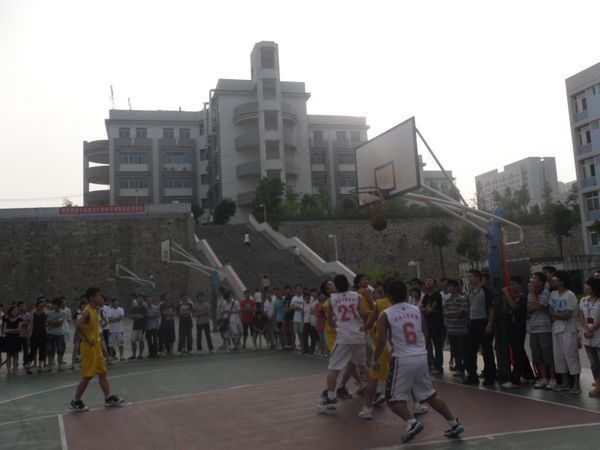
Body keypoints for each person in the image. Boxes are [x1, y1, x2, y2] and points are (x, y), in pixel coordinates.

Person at [372, 279, 464, 444]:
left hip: (402, 358)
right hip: (421, 356)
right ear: (406, 293)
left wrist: (375, 359)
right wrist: (419, 348)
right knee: (429, 395)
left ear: (388, 296)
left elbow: (381, 339)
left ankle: (411, 422)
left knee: (392, 399)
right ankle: (454, 423)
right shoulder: (416, 310)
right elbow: (425, 332)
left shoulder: (385, 314)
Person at [318, 274, 369, 411]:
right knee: (363, 365)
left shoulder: (332, 299)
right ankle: (376, 392)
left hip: (344, 336)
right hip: (358, 334)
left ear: (336, 285)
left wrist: (336, 324)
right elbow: (365, 313)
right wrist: (364, 326)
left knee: (333, 367)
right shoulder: (357, 296)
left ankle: (330, 398)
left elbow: (330, 320)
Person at [70, 287, 123, 411]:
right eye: (98, 295)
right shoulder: (87, 311)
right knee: (88, 376)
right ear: (91, 298)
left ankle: (108, 398)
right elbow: (78, 325)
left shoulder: (95, 310)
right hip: (88, 347)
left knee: (103, 373)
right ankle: (75, 400)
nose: (101, 297)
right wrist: (88, 338)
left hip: (96, 346)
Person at [548, 270, 581, 393]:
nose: (552, 279)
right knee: (559, 356)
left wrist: (555, 314)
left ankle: (576, 384)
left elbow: (567, 315)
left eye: (555, 277)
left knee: (571, 356)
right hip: (556, 329)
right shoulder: (553, 294)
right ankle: (565, 382)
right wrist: (558, 315)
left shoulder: (570, 295)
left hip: (568, 329)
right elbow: (550, 311)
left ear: (561, 280)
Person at [464, 269, 496, 386]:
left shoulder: (486, 291)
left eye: (472, 276)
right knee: (470, 350)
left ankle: (490, 377)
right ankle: (472, 376)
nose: (470, 279)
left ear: (478, 277)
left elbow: (491, 308)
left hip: (484, 322)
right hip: (473, 323)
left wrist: (489, 323)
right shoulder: (470, 292)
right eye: (469, 277)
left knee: (487, 351)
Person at [502, 276, 535, 387]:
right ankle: (529, 375)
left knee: (518, 354)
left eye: (514, 284)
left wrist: (507, 294)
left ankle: (515, 379)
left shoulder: (523, 298)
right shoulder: (512, 297)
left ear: (520, 285)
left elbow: (514, 307)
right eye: (510, 284)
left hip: (519, 328)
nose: (512, 287)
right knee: (520, 352)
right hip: (511, 328)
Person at [527, 272, 556, 389]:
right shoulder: (530, 294)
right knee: (537, 355)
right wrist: (536, 304)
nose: (532, 280)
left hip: (544, 328)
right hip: (533, 329)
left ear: (541, 282)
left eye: (534, 278)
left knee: (547, 354)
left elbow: (540, 306)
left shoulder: (546, 292)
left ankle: (553, 378)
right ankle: (544, 378)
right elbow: (529, 309)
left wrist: (533, 296)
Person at [579, 277, 600, 397]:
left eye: (588, 284)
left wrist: (591, 329)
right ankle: (598, 386)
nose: (585, 286)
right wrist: (587, 330)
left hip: (598, 335)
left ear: (594, 287)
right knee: (594, 363)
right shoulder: (583, 300)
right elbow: (581, 316)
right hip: (588, 337)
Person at [443, 279, 468, 379]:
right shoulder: (447, 301)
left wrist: (450, 313)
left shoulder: (463, 299)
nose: (450, 288)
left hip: (461, 330)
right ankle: (459, 369)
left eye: (452, 286)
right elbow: (445, 313)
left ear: (457, 287)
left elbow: (461, 313)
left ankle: (468, 368)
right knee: (455, 350)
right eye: (448, 286)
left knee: (463, 350)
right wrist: (452, 313)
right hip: (451, 330)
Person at [420, 278, 445, 375]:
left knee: (438, 346)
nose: (427, 283)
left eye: (430, 281)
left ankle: (439, 367)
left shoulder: (437, 295)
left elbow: (431, 310)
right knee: (427, 345)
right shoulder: (426, 296)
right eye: (427, 281)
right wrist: (427, 309)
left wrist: (427, 309)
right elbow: (420, 308)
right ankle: (431, 364)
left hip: (437, 324)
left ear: (434, 284)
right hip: (427, 325)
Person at [46, 298, 67, 371]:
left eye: (54, 304)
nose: (53, 306)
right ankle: (49, 366)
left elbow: (60, 323)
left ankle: (59, 366)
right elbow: (48, 323)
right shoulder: (50, 313)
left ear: (58, 305)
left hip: (60, 334)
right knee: (50, 351)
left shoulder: (63, 313)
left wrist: (52, 323)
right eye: (52, 304)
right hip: (51, 333)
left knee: (60, 350)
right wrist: (54, 323)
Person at [29, 297, 48, 374]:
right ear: (37, 307)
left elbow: (46, 324)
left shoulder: (45, 314)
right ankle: (28, 365)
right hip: (35, 334)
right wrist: (29, 334)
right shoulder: (33, 314)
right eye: (40, 306)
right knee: (33, 350)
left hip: (42, 334)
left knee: (42, 350)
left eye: (43, 306)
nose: (42, 307)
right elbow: (31, 325)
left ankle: (40, 365)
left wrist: (47, 332)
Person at [2, 305, 22, 377]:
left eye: (16, 310)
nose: (15, 312)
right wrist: (13, 330)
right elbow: (4, 330)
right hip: (8, 339)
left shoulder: (19, 319)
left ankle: (14, 370)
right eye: (14, 310)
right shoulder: (7, 319)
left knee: (15, 355)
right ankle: (8, 371)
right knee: (8, 355)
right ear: (10, 311)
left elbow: (19, 330)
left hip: (16, 339)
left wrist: (10, 330)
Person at [71, 299, 87, 370]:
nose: (84, 306)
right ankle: (72, 363)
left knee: (84, 348)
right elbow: (74, 321)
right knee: (76, 348)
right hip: (78, 332)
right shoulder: (77, 312)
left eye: (85, 304)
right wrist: (77, 326)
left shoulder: (87, 312)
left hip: (85, 331)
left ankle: (84, 363)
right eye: (83, 304)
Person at [17, 301, 31, 374]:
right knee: (15, 351)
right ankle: (15, 364)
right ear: (18, 307)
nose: (22, 307)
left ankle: (25, 364)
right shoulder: (15, 315)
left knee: (26, 351)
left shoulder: (27, 315)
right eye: (21, 306)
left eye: (23, 306)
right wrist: (22, 323)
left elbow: (27, 323)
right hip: (17, 335)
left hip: (25, 335)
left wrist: (19, 323)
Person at [290, 285, 305, 350]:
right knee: (298, 333)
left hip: (302, 318)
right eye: (297, 288)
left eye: (299, 288)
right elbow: (291, 307)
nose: (298, 290)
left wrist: (297, 307)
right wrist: (297, 308)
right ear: (295, 290)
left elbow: (304, 308)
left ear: (302, 289)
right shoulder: (294, 298)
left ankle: (304, 345)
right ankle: (301, 345)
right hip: (295, 318)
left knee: (302, 332)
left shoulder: (304, 297)